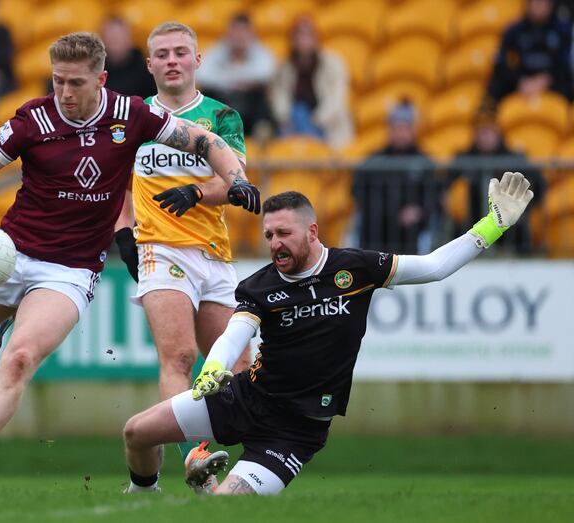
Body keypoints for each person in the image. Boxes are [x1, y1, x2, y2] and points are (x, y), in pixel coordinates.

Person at [0, 31, 260, 491]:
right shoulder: (32, 120)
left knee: (19, 360)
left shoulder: (131, 115)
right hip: (11, 256)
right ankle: (3, 318)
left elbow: (204, 141)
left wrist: (235, 180)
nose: (64, 93)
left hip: (70, 271)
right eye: (57, 81)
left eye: (75, 83)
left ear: (101, 79)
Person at [122, 173, 534, 495]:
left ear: (312, 232)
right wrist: (214, 367)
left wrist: (493, 225)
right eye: (268, 235)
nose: (275, 243)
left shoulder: (356, 268)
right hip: (246, 398)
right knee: (136, 433)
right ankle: (143, 495)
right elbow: (236, 332)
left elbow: (433, 266)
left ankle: (207, 487)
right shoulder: (260, 286)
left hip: (295, 431)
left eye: (284, 234)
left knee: (226, 509)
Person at [114, 21, 252, 494]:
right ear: (149, 64)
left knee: (237, 370)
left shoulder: (222, 117)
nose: (172, 60)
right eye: (163, 54)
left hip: (215, 254)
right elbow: (114, 184)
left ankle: (246, 465)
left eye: (181, 52)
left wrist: (195, 191)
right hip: (159, 247)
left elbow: (235, 182)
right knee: (179, 356)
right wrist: (123, 234)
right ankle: (193, 456)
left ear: (197, 60)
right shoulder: (132, 117)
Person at [446, 111, 545, 254]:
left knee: (521, 233)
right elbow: (444, 185)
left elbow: (538, 184)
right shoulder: (464, 158)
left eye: (489, 132)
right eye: (482, 132)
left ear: (498, 134)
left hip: (508, 222)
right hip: (472, 220)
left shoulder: (513, 159)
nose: (485, 138)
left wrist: (525, 209)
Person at [351, 100, 437, 254]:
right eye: (396, 128)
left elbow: (433, 196)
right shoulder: (373, 161)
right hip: (375, 233)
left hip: (410, 234)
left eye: (404, 128)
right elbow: (357, 191)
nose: (400, 133)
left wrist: (418, 211)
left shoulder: (424, 162)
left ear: (412, 130)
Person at [267, 16, 353, 149]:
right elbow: (279, 98)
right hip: (293, 124)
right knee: (298, 112)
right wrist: (286, 118)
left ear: (315, 38)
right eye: (299, 36)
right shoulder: (284, 67)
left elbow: (336, 100)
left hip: (326, 125)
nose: (303, 41)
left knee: (301, 114)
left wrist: (315, 120)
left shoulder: (333, 64)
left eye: (307, 36)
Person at [197, 13, 276, 135]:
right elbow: (202, 74)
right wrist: (240, 81)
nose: (239, 36)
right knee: (208, 94)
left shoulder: (260, 51)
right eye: (236, 31)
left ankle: (261, 133)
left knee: (260, 95)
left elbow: (266, 72)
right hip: (224, 101)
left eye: (243, 32)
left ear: (251, 35)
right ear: (228, 34)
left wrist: (227, 76)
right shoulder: (217, 50)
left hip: (249, 104)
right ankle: (210, 133)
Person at [485, 0, 573, 104]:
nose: (539, 6)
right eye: (535, 2)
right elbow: (502, 62)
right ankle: (491, 114)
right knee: (497, 81)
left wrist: (544, 80)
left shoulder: (563, 30)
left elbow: (565, 63)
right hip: (521, 82)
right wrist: (520, 81)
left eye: (543, 2)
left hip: (553, 82)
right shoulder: (514, 30)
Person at [100, 15, 156, 99]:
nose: (114, 39)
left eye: (119, 35)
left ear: (130, 38)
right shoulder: (95, 71)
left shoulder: (146, 71)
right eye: (111, 36)